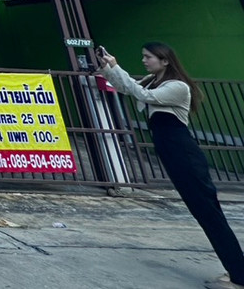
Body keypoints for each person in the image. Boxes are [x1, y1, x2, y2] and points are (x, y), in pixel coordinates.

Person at [96, 42, 244, 289]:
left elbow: (143, 96)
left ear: (165, 60)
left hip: (183, 153)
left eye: (148, 57)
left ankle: (239, 275)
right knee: (204, 212)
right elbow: (126, 87)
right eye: (143, 56)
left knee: (208, 212)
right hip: (171, 153)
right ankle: (237, 269)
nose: (144, 61)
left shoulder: (177, 86)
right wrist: (109, 68)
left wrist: (116, 67)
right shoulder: (153, 81)